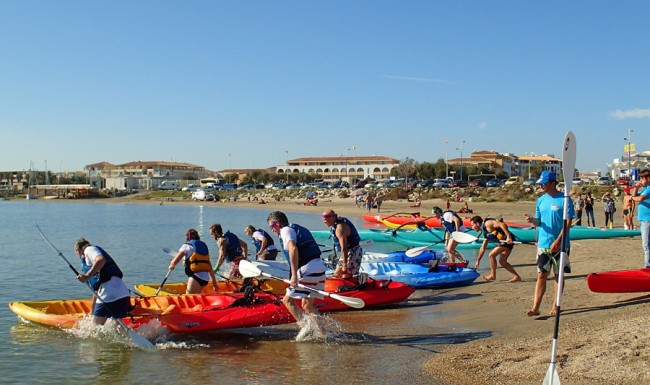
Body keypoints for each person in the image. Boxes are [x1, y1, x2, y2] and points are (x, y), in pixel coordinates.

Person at [267, 210, 326, 337]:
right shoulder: (297, 228)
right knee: (308, 306)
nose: (272, 230)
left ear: (277, 224)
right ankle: (323, 334)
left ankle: (305, 326)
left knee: (288, 301)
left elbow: (293, 248)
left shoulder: (285, 230)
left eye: (271, 226)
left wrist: (294, 275)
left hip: (307, 269)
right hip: (319, 267)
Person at [525, 171, 574, 317]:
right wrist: (533, 221)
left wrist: (558, 240)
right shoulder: (540, 200)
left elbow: (569, 222)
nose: (541, 186)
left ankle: (555, 305)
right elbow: (539, 221)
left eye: (543, 183)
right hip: (544, 244)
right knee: (541, 275)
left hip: (561, 244)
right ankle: (535, 307)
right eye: (540, 183)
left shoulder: (565, 200)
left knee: (558, 276)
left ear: (552, 183)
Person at [74, 238, 131, 325]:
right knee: (117, 329)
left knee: (94, 328)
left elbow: (101, 260)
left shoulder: (89, 249)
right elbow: (96, 290)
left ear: (77, 250)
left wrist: (86, 276)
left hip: (108, 293)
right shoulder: (93, 256)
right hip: (123, 294)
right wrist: (92, 312)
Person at [470, 216, 521, 283]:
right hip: (504, 241)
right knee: (502, 261)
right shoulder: (484, 232)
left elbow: (502, 224)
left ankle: (493, 275)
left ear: (477, 223)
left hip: (508, 240)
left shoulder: (488, 223)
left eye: (472, 225)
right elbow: (483, 247)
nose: (472, 227)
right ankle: (517, 276)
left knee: (491, 255)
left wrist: (508, 236)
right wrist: (478, 260)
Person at [168, 228, 219, 294]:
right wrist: (215, 284)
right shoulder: (203, 247)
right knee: (196, 297)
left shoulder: (186, 246)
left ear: (188, 237)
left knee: (189, 298)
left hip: (196, 277)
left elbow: (174, 261)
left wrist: (171, 265)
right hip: (205, 278)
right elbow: (209, 267)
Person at [321, 209, 362, 279]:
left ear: (333, 217)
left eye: (326, 219)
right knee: (337, 275)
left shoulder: (340, 228)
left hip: (352, 252)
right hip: (348, 252)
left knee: (345, 275)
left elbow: (344, 248)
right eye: (323, 219)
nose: (324, 221)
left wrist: (345, 265)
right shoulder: (335, 225)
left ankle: (349, 287)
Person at [631, 169, 650, 268]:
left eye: (642, 178)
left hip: (648, 220)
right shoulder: (645, 189)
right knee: (647, 245)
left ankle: (647, 266)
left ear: (648, 179)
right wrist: (636, 188)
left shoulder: (649, 188)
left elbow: (640, 198)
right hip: (644, 220)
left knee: (646, 245)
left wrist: (631, 198)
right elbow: (635, 196)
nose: (641, 180)